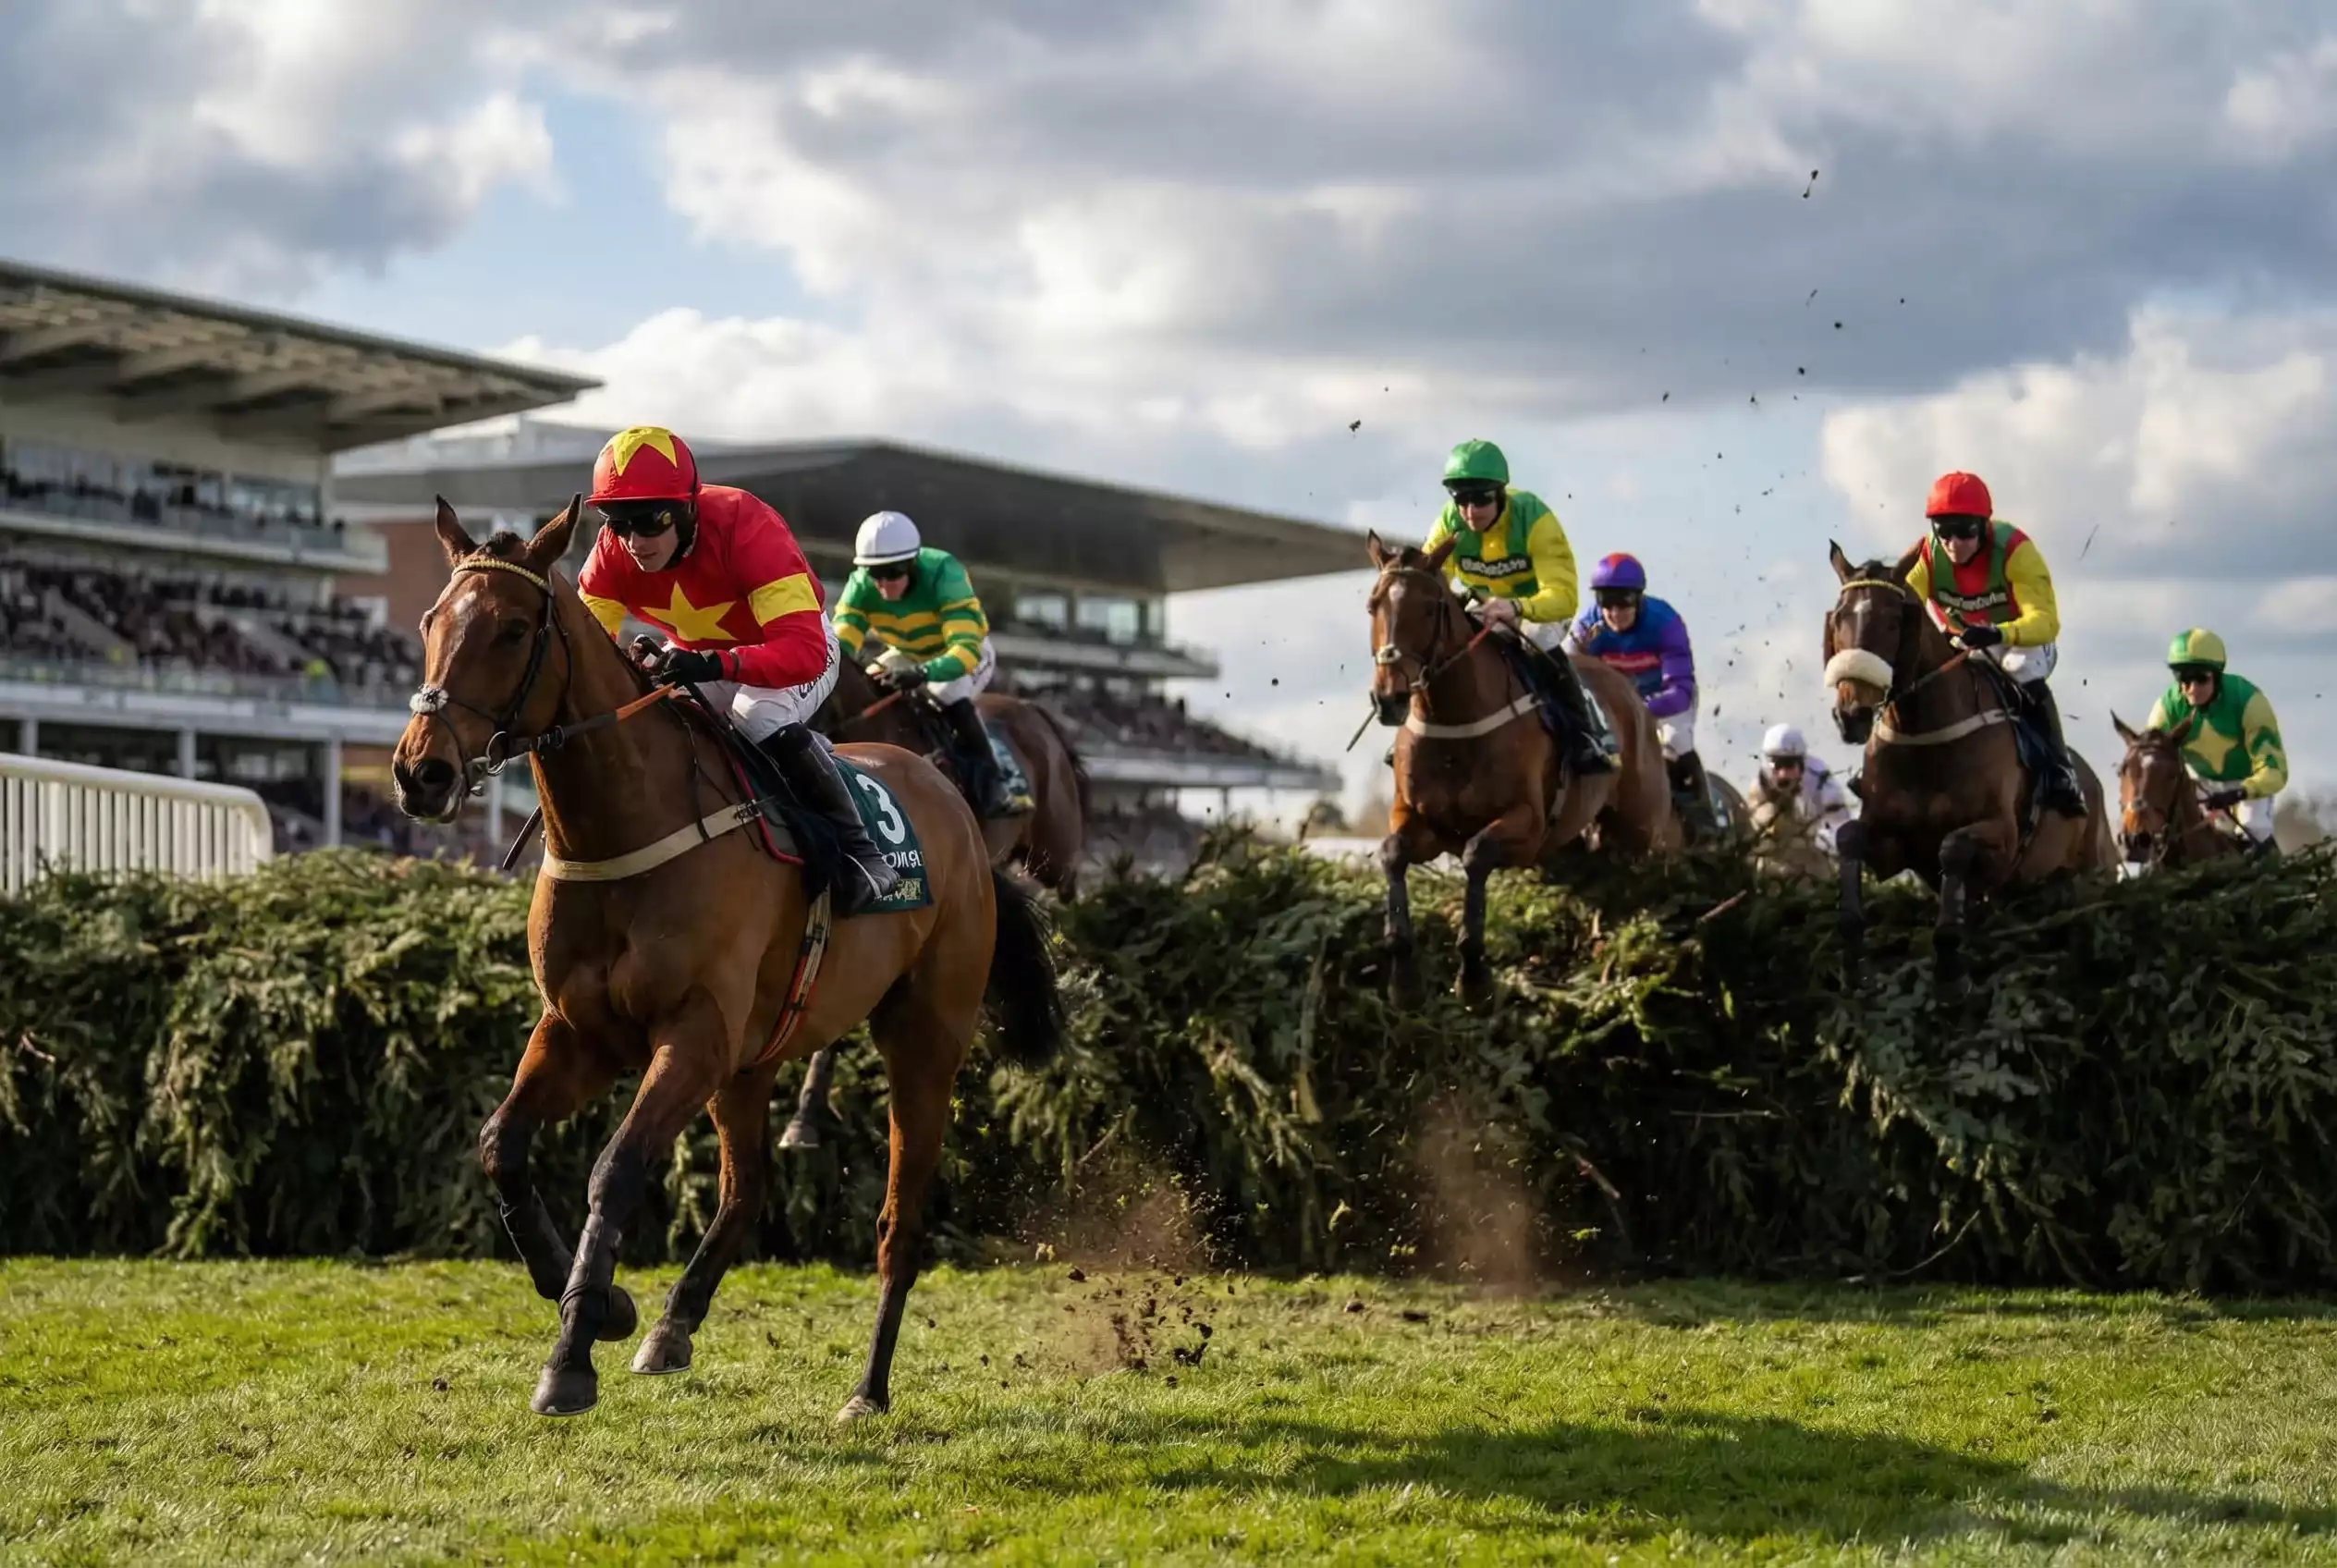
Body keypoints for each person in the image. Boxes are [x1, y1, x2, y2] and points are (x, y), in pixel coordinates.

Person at [574, 425, 899, 913]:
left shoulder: (747, 524)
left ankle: (865, 856)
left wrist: (712, 663)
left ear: (688, 505)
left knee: (758, 715)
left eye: (649, 521)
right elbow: (584, 658)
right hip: (700, 661)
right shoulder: (610, 555)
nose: (634, 542)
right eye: (617, 523)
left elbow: (803, 651)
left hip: (794, 649)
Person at [1422, 438, 1617, 775]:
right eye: (1461, 499)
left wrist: (1515, 606)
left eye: (1480, 499)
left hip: (1539, 609)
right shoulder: (1449, 523)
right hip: (1486, 609)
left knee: (1537, 639)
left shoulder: (1533, 518)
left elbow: (1563, 596)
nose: (1470, 511)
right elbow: (1430, 580)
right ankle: (1426, 735)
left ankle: (1584, 733)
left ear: (1500, 492)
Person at [1901, 470, 2086, 816]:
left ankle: (2060, 771)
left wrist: (1999, 633)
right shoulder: (1927, 555)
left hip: (2023, 642)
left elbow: (2046, 622)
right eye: (1944, 531)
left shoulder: (2015, 550)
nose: (1954, 543)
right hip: (1965, 643)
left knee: (2019, 669)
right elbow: (1901, 603)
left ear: (1984, 525)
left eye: (1965, 531)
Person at [831, 509, 1027, 818]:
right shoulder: (861, 585)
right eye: (874, 573)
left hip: (963, 652)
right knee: (866, 683)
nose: (883, 585)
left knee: (946, 695)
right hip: (906, 652)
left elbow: (964, 648)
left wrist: (922, 673)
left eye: (893, 572)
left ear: (911, 563)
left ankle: (995, 784)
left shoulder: (943, 572)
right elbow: (840, 645)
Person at [1564, 552, 1714, 834]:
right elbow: (1568, 679)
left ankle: (1701, 819)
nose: (1615, 612)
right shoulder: (1587, 627)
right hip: (1614, 708)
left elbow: (1680, 692)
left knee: (1676, 741)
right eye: (1606, 601)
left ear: (1639, 598)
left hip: (1664, 702)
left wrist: (1638, 709)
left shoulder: (1665, 623)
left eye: (1624, 602)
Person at [2147, 628, 2288, 851]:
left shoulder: (2249, 701)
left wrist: (2240, 793)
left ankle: (2273, 874)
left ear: (2217, 675)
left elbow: (2275, 770)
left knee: (2255, 828)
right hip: (2201, 783)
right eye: (2184, 679)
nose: (2192, 689)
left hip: (2248, 783)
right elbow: (2149, 763)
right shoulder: (2167, 707)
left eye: (2201, 679)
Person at [1755, 723, 1854, 853]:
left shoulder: (1824, 786)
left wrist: (1808, 841)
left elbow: (1840, 832)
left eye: (1790, 765)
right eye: (1777, 765)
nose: (1783, 774)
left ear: (1802, 764)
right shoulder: (1761, 783)